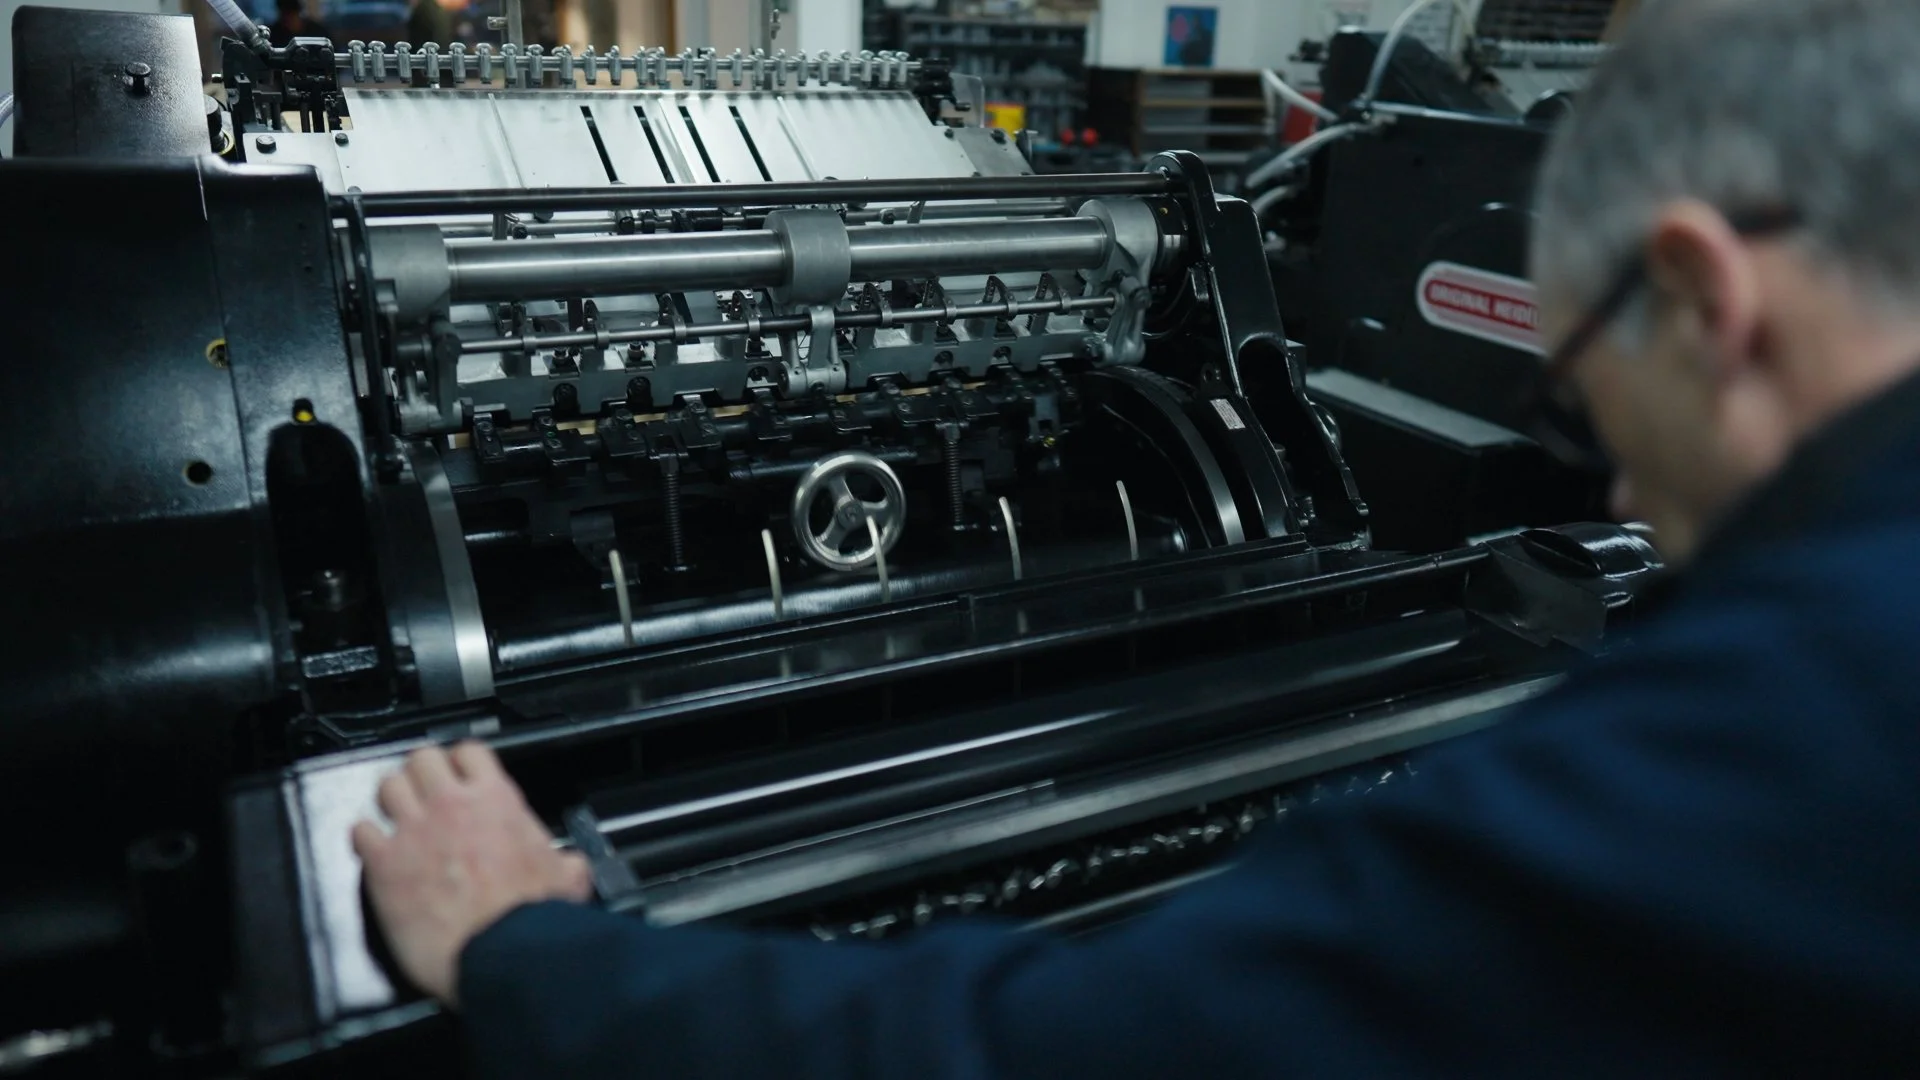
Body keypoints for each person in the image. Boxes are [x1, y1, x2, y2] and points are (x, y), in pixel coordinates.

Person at [353, 0, 1920, 1074]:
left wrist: (519, 950)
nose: (1624, 502)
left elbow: (1068, 1054)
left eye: (1582, 407)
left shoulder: (1794, 713)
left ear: (1706, 300)